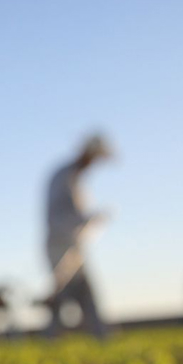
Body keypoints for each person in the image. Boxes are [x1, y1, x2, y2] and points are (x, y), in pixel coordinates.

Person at [43, 134, 113, 338]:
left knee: (84, 293)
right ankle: (50, 340)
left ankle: (101, 338)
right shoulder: (65, 177)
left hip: (73, 246)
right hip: (60, 245)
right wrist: (92, 218)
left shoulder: (74, 178)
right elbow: (63, 215)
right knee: (63, 294)